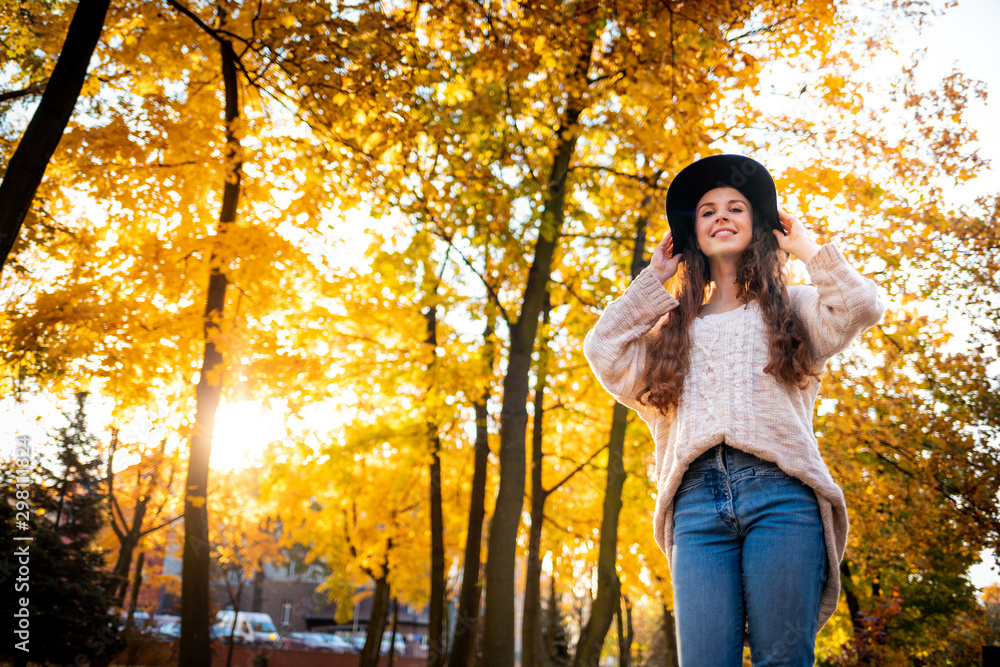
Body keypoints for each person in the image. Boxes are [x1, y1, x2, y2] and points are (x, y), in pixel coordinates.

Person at [583, 154, 885, 665]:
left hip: (783, 496)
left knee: (781, 660)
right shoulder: (671, 330)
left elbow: (860, 306)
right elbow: (603, 350)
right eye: (706, 211)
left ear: (759, 224)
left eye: (736, 207)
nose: (721, 216)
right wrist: (652, 280)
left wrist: (806, 247)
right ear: (691, 235)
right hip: (696, 507)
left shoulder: (793, 307)